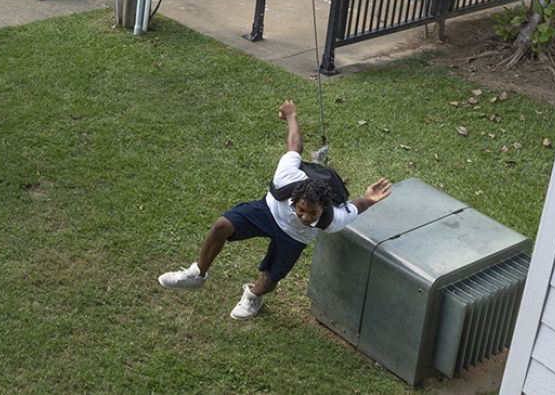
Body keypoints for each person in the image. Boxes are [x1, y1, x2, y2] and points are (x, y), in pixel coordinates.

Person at [157, 100, 393, 320]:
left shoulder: (333, 219)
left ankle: (252, 296)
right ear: (295, 197)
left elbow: (356, 206)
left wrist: (369, 198)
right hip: (267, 212)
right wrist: (291, 115)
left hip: (294, 238)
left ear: (324, 209)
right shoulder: (286, 178)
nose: (305, 217)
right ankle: (197, 274)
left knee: (270, 281)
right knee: (222, 225)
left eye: (313, 214)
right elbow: (295, 146)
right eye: (301, 210)